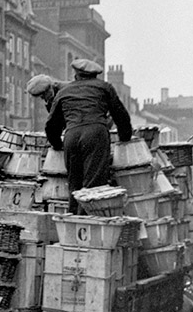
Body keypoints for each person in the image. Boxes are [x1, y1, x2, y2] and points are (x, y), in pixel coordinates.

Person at [44, 58, 133, 214]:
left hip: (71, 136)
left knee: (74, 184)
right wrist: (125, 138)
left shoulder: (64, 92)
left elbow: (51, 125)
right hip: (95, 135)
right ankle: (90, 226)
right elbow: (121, 115)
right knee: (93, 186)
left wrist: (58, 145)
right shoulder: (104, 88)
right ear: (95, 75)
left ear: (76, 75)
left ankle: (73, 224)